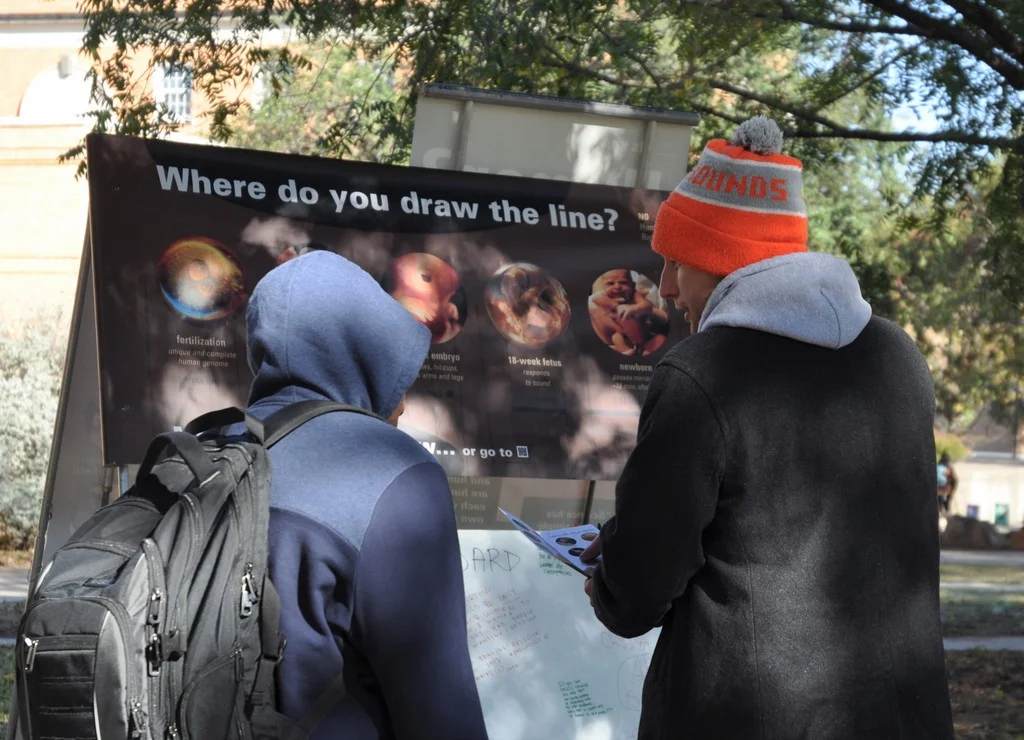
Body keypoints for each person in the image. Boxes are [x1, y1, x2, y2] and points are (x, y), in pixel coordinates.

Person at [580, 116, 954, 739]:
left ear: (724, 261)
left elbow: (640, 588)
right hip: (898, 715)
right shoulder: (899, 357)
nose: (667, 287)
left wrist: (611, 575)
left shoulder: (702, 372)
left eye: (678, 260)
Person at [242, 250, 488, 739]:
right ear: (363, 355)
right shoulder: (393, 471)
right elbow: (440, 712)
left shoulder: (199, 449)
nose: (402, 404)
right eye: (393, 370)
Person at [588, 269, 669, 356]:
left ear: (633, 285)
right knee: (616, 338)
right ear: (603, 288)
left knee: (660, 338)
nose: (617, 287)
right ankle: (627, 352)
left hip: (645, 333)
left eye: (623, 282)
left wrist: (634, 308)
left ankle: (648, 351)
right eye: (610, 283)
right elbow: (595, 298)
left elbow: (647, 305)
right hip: (623, 335)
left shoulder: (635, 294)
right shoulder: (604, 297)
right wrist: (614, 305)